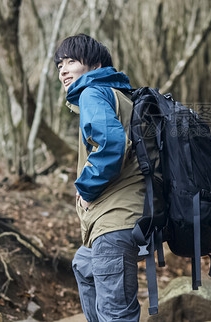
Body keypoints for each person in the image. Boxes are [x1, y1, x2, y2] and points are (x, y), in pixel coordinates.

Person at [56, 34, 144, 321]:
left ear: (94, 65)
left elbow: (112, 144)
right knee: (84, 264)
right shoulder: (117, 94)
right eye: (60, 65)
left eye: (72, 61)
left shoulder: (93, 93)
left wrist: (86, 188)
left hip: (116, 218)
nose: (63, 70)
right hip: (118, 218)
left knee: (115, 313)